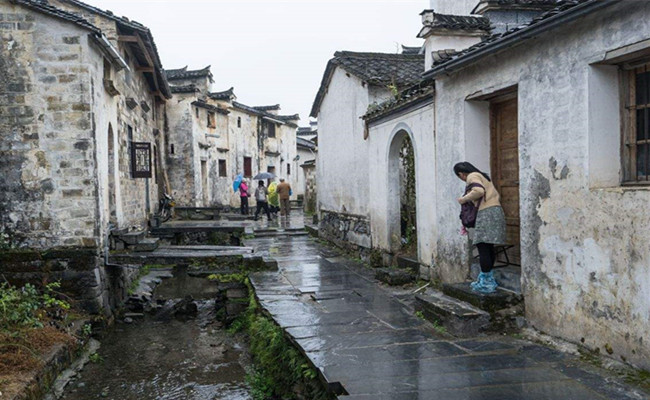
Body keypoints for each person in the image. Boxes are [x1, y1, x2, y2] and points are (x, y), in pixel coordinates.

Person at [454, 162, 506, 294]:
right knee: (489, 247)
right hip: (496, 211)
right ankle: (488, 278)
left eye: (459, 176)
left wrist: (463, 199)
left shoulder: (472, 176)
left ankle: (486, 281)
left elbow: (478, 191)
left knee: (482, 246)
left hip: (486, 213)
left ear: (461, 174)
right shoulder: (483, 176)